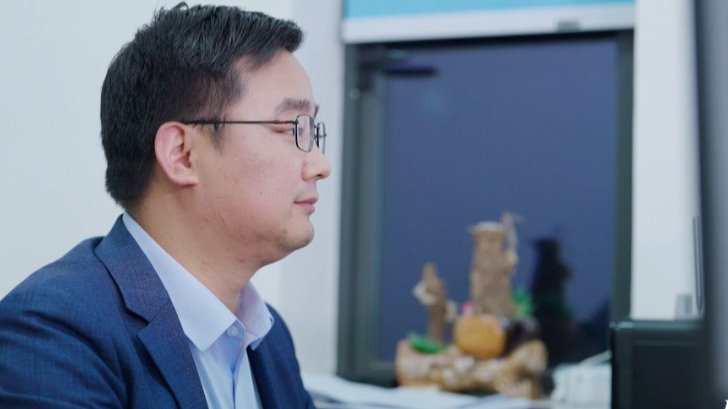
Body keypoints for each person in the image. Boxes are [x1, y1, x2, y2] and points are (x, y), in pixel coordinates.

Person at [0, 3, 330, 408]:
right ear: (182, 154)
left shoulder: (269, 338)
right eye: (292, 128)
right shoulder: (54, 333)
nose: (320, 165)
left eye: (313, 132)